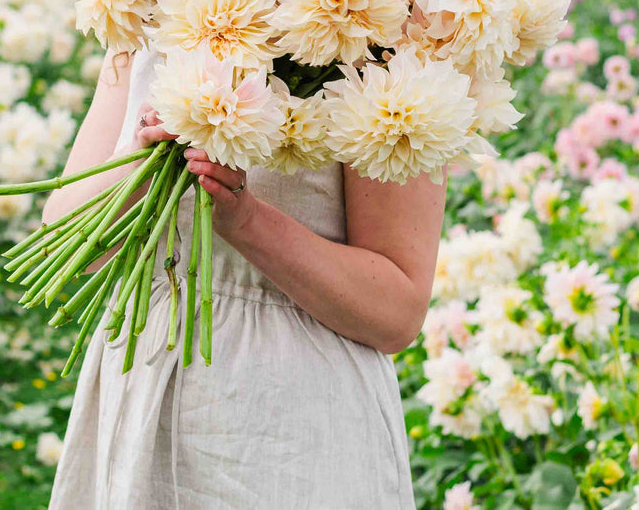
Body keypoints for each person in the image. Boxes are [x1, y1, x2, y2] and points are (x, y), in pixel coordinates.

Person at [43, 35, 447, 509]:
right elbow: (65, 244)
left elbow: (397, 310)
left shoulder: (388, 29)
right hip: (141, 381)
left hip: (291, 419)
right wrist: (140, 158)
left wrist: (247, 220)